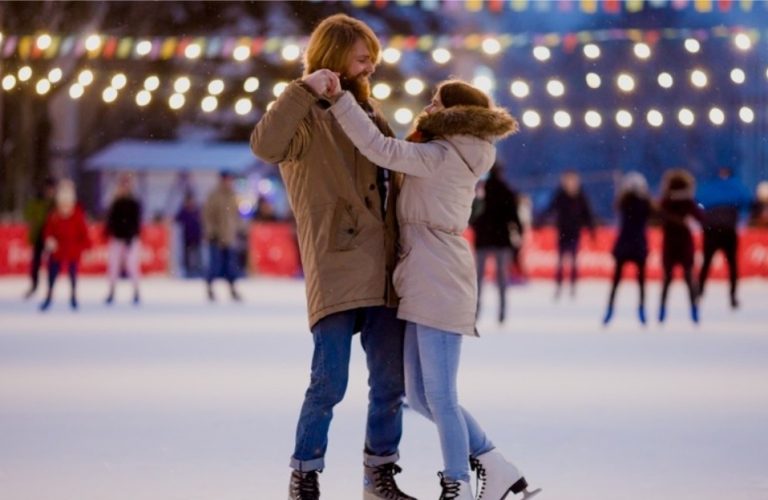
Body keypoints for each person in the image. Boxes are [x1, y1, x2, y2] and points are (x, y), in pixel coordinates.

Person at [329, 77, 540, 499]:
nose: (427, 106)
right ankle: (496, 466)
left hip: (439, 278)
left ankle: (457, 483)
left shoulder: (442, 154)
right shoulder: (448, 151)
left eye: (436, 101)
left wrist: (340, 101)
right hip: (426, 275)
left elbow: (380, 149)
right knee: (420, 396)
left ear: (453, 113)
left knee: (440, 395)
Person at [249, 14, 413, 500]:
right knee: (329, 382)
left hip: (383, 268)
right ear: (336, 56)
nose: (370, 69)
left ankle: (379, 474)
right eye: (363, 59)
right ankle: (305, 474)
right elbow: (264, 145)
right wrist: (302, 89)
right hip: (336, 261)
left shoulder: (367, 112)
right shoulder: (303, 116)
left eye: (373, 62)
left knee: (390, 382)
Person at [471, 164, 523, 323]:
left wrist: (479, 228)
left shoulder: (481, 191)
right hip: (502, 241)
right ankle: (502, 312)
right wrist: (519, 236)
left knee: (478, 279)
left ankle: (475, 312)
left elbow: (472, 215)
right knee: (502, 279)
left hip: (483, 240)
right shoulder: (507, 191)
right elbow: (514, 217)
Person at [696, 167, 753, 309]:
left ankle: (700, 293)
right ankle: (732, 296)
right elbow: (748, 201)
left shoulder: (709, 186)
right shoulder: (737, 186)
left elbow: (698, 201)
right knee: (732, 265)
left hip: (712, 229)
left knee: (707, 263)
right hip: (728, 229)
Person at [602, 172, 653, 326]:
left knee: (616, 282)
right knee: (641, 282)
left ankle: (610, 309)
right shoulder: (644, 204)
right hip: (638, 246)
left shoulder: (624, 202)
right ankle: (641, 310)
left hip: (624, 245)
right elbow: (655, 214)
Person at [537, 170, 596, 299]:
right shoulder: (561, 195)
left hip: (574, 233)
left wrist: (592, 229)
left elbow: (587, 214)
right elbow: (550, 209)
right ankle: (559, 287)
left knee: (573, 262)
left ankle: (572, 287)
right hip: (563, 232)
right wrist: (540, 221)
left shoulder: (580, 196)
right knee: (561, 262)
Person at [658, 169, 703, 324]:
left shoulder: (665, 201)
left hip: (670, 243)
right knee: (689, 277)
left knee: (667, 279)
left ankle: (662, 310)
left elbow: (658, 217)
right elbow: (701, 217)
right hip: (684, 243)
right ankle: (694, 310)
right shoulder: (689, 201)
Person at [39, 179, 89, 311]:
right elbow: (48, 230)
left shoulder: (77, 214)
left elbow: (83, 232)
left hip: (72, 249)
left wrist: (85, 246)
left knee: (73, 274)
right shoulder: (54, 214)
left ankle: (73, 296)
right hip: (57, 251)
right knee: (52, 274)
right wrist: (49, 240)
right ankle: (49, 296)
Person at [203, 170, 242, 302]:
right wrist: (210, 232)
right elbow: (207, 216)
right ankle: (209, 287)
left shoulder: (233, 195)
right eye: (227, 179)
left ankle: (232, 289)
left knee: (230, 265)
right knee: (215, 265)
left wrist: (239, 229)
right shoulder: (214, 196)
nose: (229, 182)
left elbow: (236, 216)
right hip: (217, 237)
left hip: (229, 237)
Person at [104, 174, 143, 305]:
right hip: (117, 238)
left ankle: (136, 291)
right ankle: (112, 291)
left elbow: (136, 222)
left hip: (130, 239)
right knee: (113, 266)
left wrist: (130, 236)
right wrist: (109, 232)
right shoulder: (115, 203)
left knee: (132, 265)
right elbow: (111, 221)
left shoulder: (133, 203)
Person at [23, 177, 56, 299]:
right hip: (39, 235)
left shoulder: (55, 203)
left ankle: (50, 287)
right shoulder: (38, 201)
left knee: (51, 263)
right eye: (48, 188)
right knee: (36, 262)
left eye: (51, 189)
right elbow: (28, 214)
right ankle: (34, 285)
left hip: (52, 237)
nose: (50, 191)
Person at [175, 191, 203, 277]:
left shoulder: (197, 210)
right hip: (187, 237)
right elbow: (176, 219)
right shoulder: (184, 211)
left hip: (196, 236)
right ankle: (187, 270)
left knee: (197, 255)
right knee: (187, 255)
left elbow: (202, 222)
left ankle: (198, 270)